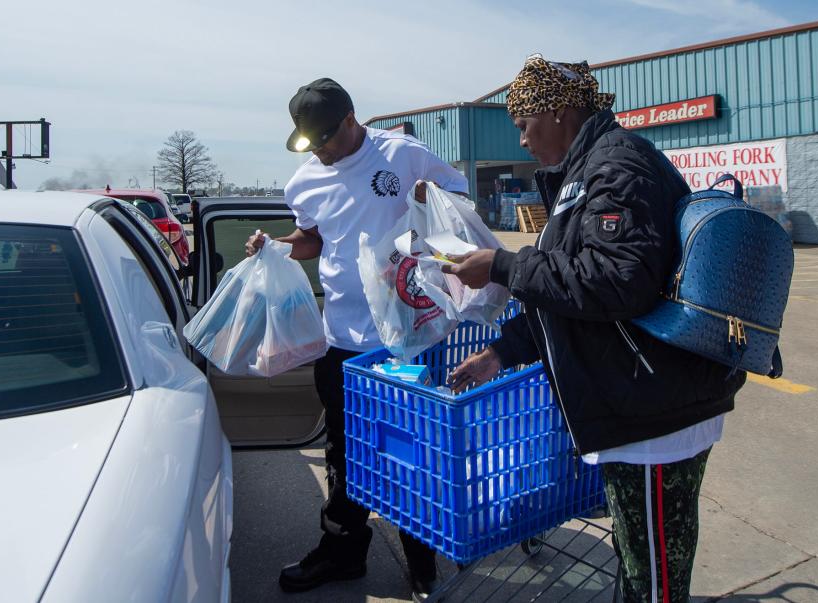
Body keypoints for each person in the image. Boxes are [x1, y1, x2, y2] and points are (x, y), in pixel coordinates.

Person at [442, 55, 746, 603]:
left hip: (657, 413)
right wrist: (503, 353)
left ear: (558, 112)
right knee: (637, 566)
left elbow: (616, 280)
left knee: (655, 579)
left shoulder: (617, 166)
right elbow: (570, 292)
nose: (522, 140)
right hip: (637, 403)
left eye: (524, 124)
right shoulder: (586, 172)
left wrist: (504, 266)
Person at [245, 77, 469, 600]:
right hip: (341, 343)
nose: (321, 150)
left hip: (408, 337)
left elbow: (457, 201)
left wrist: (425, 208)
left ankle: (422, 562)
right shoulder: (304, 183)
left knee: (414, 451)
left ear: (352, 120)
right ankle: (343, 552)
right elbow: (313, 239)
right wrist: (275, 247)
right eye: (310, 142)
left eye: (327, 137)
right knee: (344, 454)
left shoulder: (403, 153)